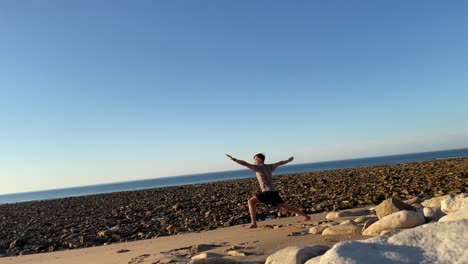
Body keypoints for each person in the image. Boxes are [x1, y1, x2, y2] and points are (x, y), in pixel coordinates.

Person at [225, 153, 311, 228]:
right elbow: (280, 163)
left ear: (259, 159)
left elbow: (245, 163)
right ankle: (306, 216)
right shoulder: (270, 166)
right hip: (273, 192)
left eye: (255, 159)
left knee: (250, 202)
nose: (254, 161)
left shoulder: (258, 167)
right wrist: (288, 160)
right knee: (285, 206)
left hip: (268, 192)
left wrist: (234, 159)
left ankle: (253, 223)